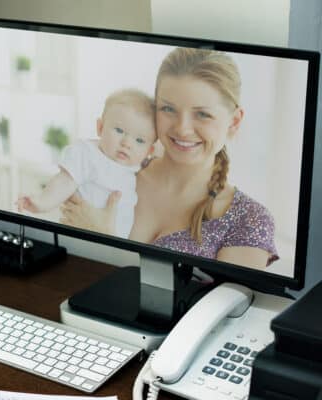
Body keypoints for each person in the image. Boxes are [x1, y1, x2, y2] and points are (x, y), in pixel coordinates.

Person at [61, 48, 278, 269]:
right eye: (168, 109)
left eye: (202, 114)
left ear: (234, 122)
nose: (182, 129)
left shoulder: (248, 220)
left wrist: (105, 242)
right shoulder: (111, 168)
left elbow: (224, 302)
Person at [18, 89, 156, 238]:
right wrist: (42, 202)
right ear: (100, 128)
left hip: (113, 248)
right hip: (78, 235)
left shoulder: (135, 170)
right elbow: (64, 181)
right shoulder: (88, 153)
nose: (127, 143)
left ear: (149, 150)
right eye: (119, 130)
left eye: (139, 140)